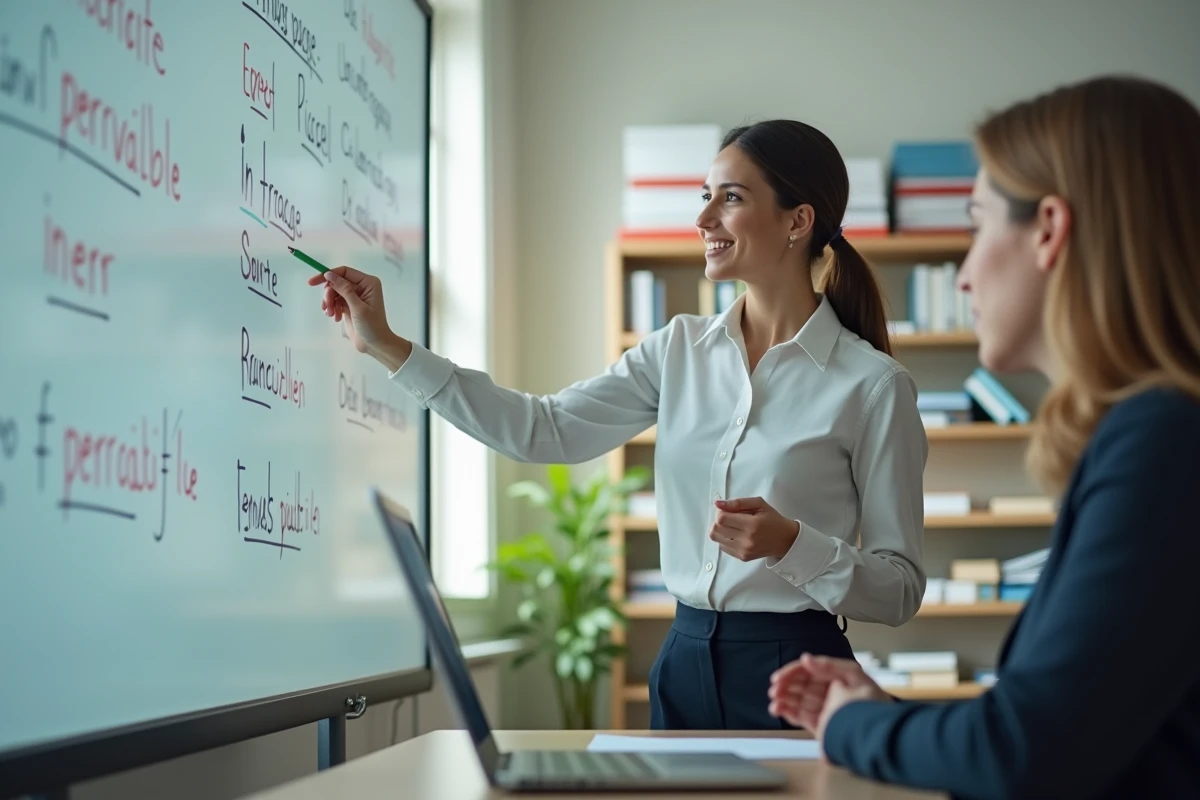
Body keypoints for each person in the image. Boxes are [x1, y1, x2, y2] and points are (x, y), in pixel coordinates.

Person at [310, 119, 929, 730]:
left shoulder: (873, 385)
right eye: (705, 196)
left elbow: (898, 590)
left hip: (798, 678)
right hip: (683, 663)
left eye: (731, 198)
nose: (704, 218)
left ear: (799, 221)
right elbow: (543, 429)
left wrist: (793, 544)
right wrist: (388, 346)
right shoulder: (677, 349)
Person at [768, 75, 1200, 798]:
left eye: (977, 226)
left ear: (1050, 230)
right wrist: (879, 714)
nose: (963, 275)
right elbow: (1069, 727)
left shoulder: (1162, 442)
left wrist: (851, 726)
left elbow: (1027, 752)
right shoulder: (1156, 433)